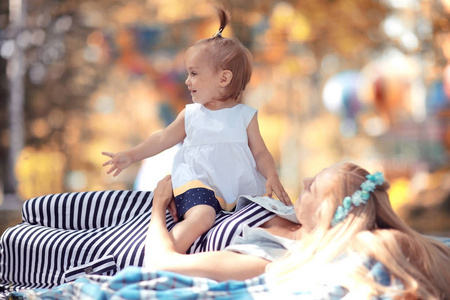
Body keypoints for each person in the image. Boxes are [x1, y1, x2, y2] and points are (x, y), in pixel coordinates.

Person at [102, 7, 291, 254]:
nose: (187, 81)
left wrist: (272, 176)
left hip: (235, 189)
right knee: (202, 217)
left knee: (265, 217)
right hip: (196, 183)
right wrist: (132, 155)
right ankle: (163, 254)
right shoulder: (191, 114)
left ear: (223, 79)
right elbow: (162, 138)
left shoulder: (245, 116)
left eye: (193, 74)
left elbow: (261, 153)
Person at [144, 162, 450, 299]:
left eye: (313, 186)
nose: (304, 181)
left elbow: (162, 263)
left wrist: (158, 207)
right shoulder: (299, 226)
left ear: (324, 214)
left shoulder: (279, 259)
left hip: (154, 233)